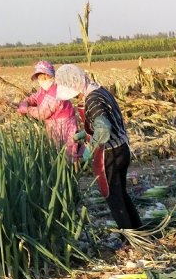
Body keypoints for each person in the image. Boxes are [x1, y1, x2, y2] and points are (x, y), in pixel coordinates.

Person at [54, 64, 142, 231]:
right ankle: (139, 230)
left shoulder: (92, 100)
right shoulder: (100, 90)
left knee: (114, 198)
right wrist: (85, 134)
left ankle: (129, 238)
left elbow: (103, 129)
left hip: (110, 155)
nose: (75, 98)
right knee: (121, 193)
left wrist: (90, 148)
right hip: (122, 148)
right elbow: (104, 122)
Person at [17, 61, 79, 159]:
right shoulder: (43, 89)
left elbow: (42, 113)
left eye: (45, 77)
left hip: (65, 126)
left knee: (68, 153)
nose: (43, 80)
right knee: (57, 152)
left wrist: (27, 109)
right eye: (40, 78)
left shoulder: (55, 92)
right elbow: (35, 97)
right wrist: (26, 101)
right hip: (53, 126)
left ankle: (72, 172)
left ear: (52, 77)